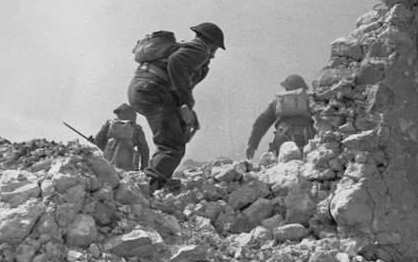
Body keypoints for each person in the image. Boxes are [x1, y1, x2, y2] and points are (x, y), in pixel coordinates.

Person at [128, 22, 225, 192]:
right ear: (211, 43)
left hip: (141, 90)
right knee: (173, 145)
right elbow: (176, 62)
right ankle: (150, 184)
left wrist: (185, 108)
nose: (214, 54)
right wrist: (186, 101)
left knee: (175, 132)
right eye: (215, 48)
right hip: (153, 90)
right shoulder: (199, 50)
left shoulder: (183, 47)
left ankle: (161, 177)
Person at [246, 74, 314, 160]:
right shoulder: (310, 101)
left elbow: (262, 122)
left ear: (286, 88)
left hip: (282, 138)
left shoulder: (278, 103)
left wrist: (252, 145)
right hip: (307, 138)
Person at [94, 103, 149, 172]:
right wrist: (144, 168)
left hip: (108, 163)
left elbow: (98, 140)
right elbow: (144, 150)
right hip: (128, 166)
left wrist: (106, 149)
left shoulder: (109, 124)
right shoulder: (137, 128)